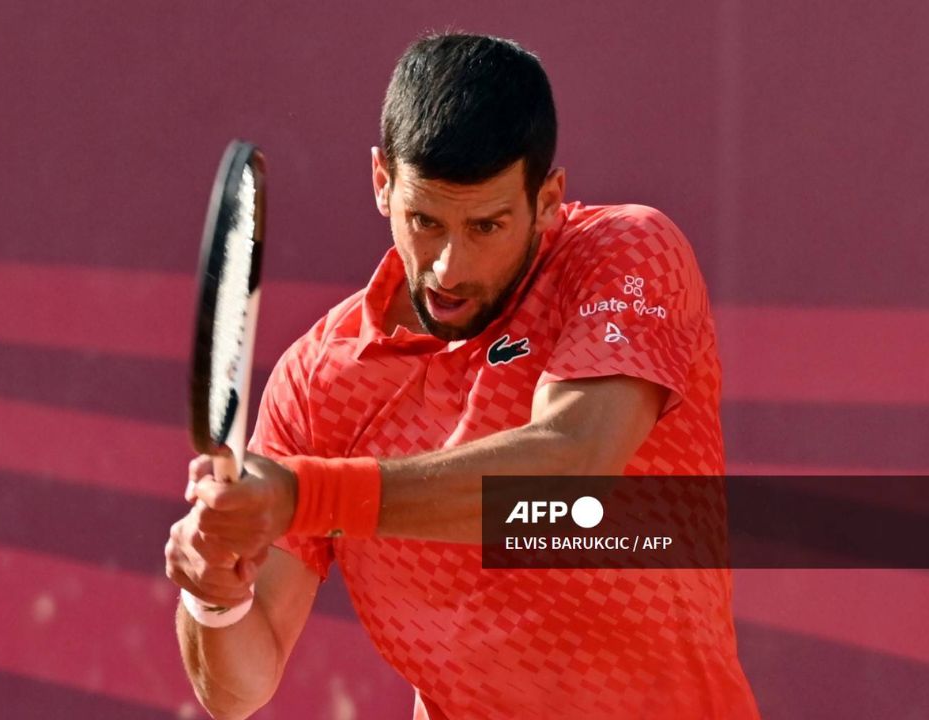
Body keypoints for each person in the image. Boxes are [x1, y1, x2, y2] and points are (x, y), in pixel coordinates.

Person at [165, 33, 760, 719]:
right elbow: (239, 687)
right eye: (424, 220)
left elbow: (570, 471)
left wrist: (307, 495)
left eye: (486, 225)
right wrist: (213, 595)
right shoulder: (316, 385)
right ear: (381, 182)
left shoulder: (626, 253)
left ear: (548, 199)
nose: (448, 268)